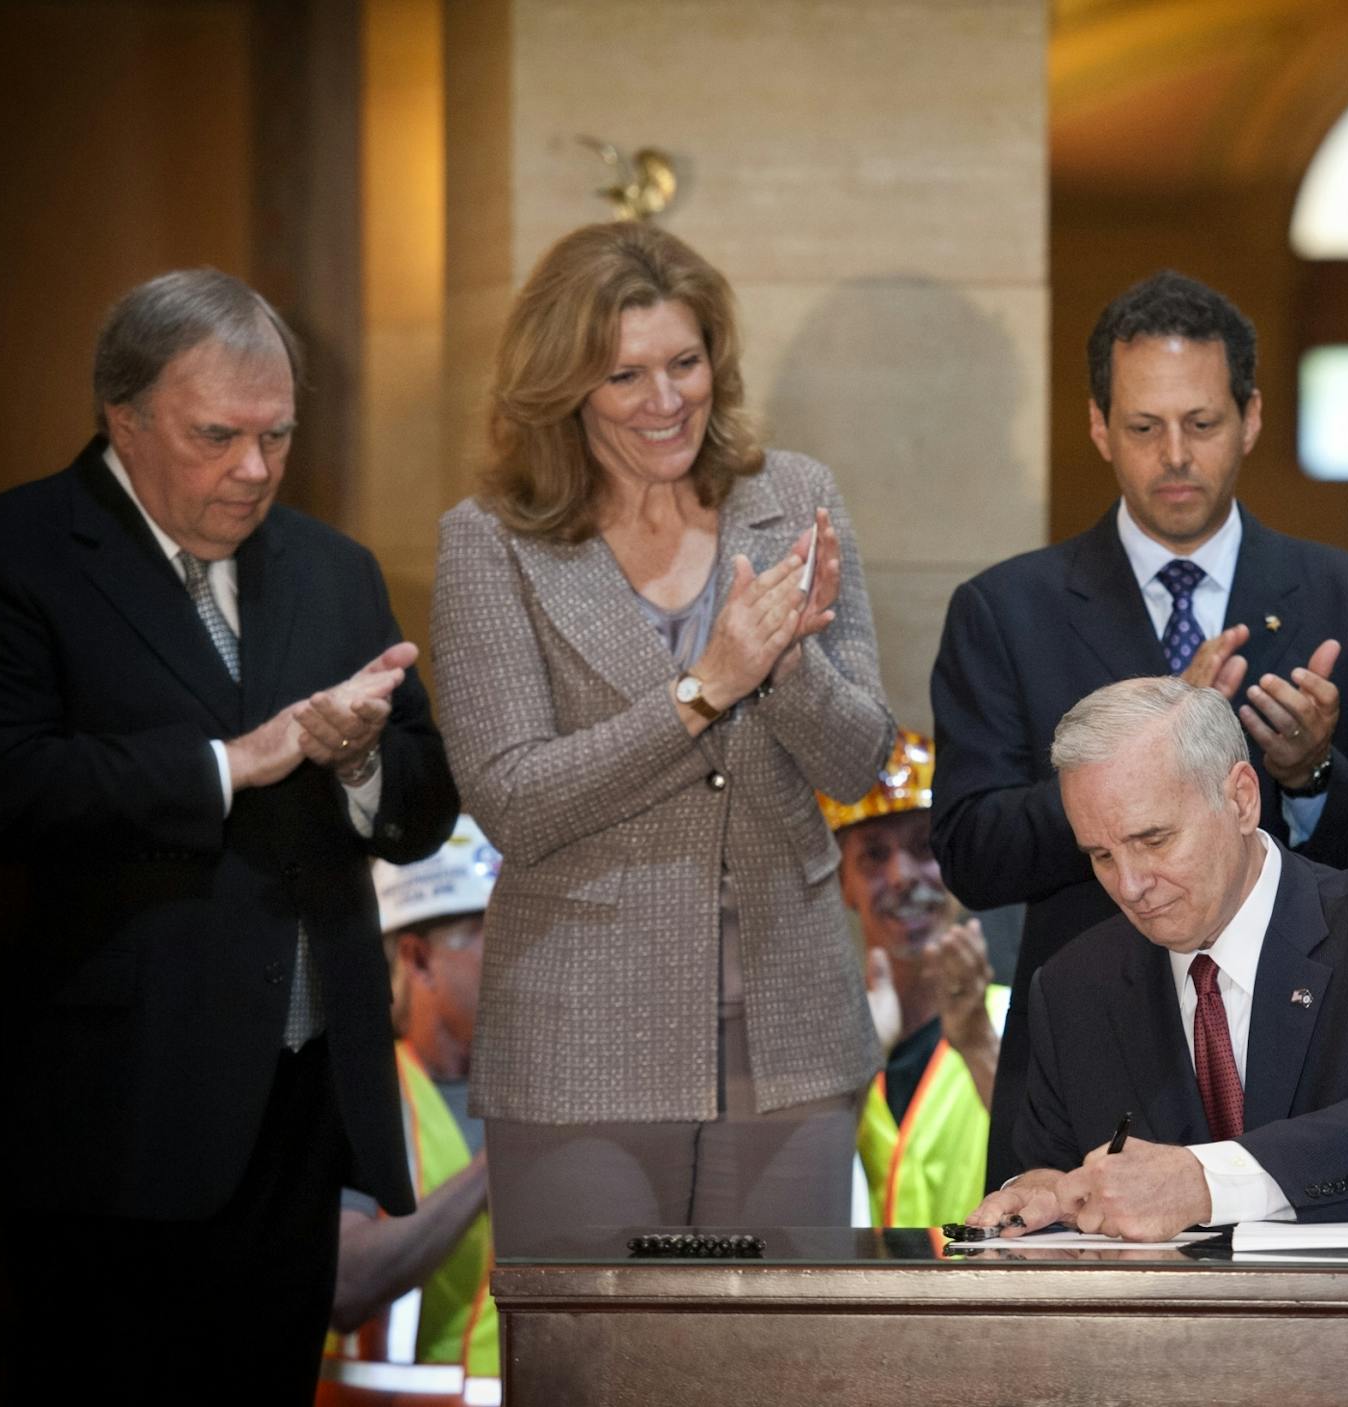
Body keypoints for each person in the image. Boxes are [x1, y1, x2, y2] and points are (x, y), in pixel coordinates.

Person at [0, 268, 458, 1396]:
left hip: (298, 1101)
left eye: (277, 436)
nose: (254, 469)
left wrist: (363, 758)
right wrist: (231, 766)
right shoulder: (12, 555)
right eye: (218, 436)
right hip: (112, 1116)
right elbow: (1, 789)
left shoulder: (333, 569)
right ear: (122, 416)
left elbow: (425, 803)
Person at [431, 222, 894, 1256]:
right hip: (579, 1039)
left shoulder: (796, 499)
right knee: (593, 1370)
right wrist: (702, 690)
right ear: (564, 388)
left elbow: (860, 759)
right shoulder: (491, 539)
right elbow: (516, 801)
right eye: (625, 375)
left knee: (777, 1373)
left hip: (791, 1029)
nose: (666, 400)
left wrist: (785, 667)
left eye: (685, 363)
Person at [932, 270, 1348, 1188]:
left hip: (1309, 1063)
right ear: (1098, 426)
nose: (1174, 455)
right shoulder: (1005, 609)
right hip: (1086, 1063)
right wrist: (1141, 756)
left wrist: (1314, 773)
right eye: (1143, 427)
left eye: (1202, 424)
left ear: (1251, 418)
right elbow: (971, 852)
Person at [966, 677, 1348, 1242]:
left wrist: (1206, 1181)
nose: (1129, 885)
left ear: (1242, 799)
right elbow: (1052, 1168)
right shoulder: (1075, 985)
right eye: (1101, 855)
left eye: (1154, 841)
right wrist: (1047, 1193)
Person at [321, 816, 501, 1402]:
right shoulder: (358, 1095)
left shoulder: (551, 1093)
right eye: (491, 938)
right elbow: (343, 1286)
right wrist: (500, 1161)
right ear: (419, 959)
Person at [819, 730, 1006, 1228]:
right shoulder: (821, 1045)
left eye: (924, 847)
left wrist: (977, 1041)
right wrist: (859, 1062)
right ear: (841, 882)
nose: (901, 876)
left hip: (994, 1299)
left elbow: (1065, 1165)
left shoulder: (1022, 1020)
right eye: (875, 856)